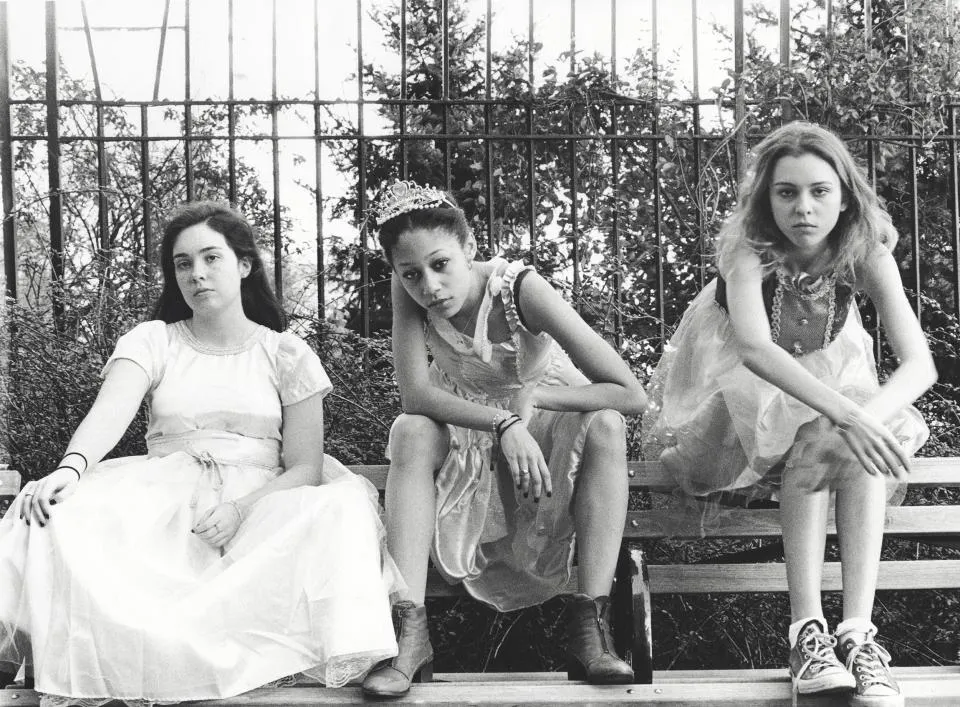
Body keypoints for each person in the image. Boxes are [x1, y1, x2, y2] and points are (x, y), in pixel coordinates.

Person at [0, 201, 402, 705]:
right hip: (167, 503)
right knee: (52, 510)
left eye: (212, 258)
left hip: (261, 510)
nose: (197, 273)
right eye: (183, 263)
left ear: (244, 264)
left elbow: (305, 466)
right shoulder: (154, 341)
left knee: (339, 507)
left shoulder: (285, 353)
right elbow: (110, 412)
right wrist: (72, 467)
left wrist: (240, 510)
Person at [643, 122, 935, 706]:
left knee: (837, 435)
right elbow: (755, 350)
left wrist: (862, 420)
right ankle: (806, 631)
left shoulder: (866, 251)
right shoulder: (748, 249)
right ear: (767, 198)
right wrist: (849, 417)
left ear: (845, 197)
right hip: (742, 390)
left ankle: (856, 635)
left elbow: (920, 364)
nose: (803, 207)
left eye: (820, 191)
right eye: (786, 192)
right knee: (825, 427)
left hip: (828, 376)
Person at [360, 180, 648, 697]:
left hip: (543, 425)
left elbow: (630, 393)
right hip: (472, 428)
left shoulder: (519, 290)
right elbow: (415, 396)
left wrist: (533, 401)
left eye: (440, 264)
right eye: (411, 273)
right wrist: (501, 422)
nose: (429, 286)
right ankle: (406, 634)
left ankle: (592, 631)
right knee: (410, 431)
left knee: (607, 424)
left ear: (470, 247)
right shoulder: (410, 292)